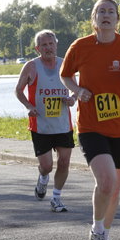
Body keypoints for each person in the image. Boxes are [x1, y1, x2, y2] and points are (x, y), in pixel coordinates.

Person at [60, 0, 120, 240]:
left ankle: (105, 237)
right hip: (91, 126)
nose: (106, 15)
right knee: (106, 181)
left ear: (117, 19)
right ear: (94, 18)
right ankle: (97, 232)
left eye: (111, 11)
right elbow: (66, 75)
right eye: (101, 11)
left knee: (115, 189)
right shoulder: (81, 46)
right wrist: (77, 90)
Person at [15, 30, 75, 212]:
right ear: (37, 48)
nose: (48, 48)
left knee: (64, 163)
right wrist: (28, 106)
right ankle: (42, 179)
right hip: (40, 125)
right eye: (44, 45)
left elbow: (75, 87)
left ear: (56, 44)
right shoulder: (31, 67)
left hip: (63, 123)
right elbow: (18, 90)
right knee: (47, 166)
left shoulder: (65, 64)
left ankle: (56, 198)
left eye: (51, 44)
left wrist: (73, 98)